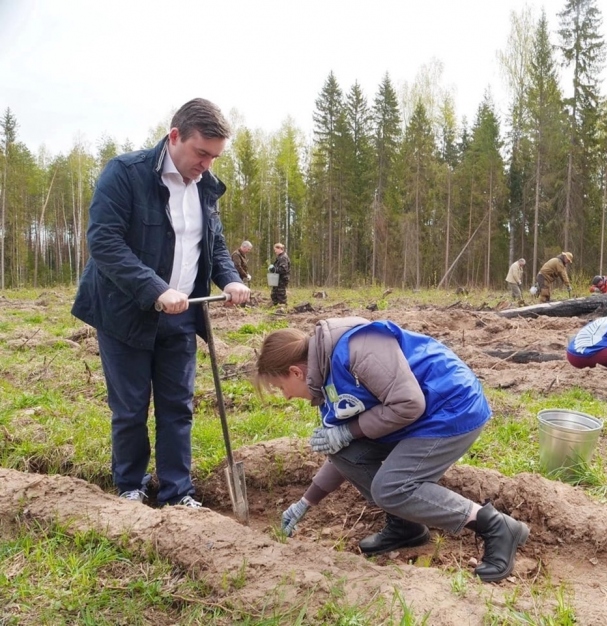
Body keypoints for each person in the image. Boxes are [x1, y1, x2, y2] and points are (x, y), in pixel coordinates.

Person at [71, 98, 250, 508]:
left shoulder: (205, 186)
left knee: (177, 407)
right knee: (130, 408)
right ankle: (131, 486)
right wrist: (155, 288)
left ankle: (177, 491)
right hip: (125, 314)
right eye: (201, 153)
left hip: (182, 317)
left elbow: (213, 243)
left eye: (214, 157)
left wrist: (230, 278)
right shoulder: (125, 174)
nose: (206, 164)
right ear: (174, 136)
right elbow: (104, 242)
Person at [254, 317, 530, 582]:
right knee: (343, 450)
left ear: (296, 372)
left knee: (391, 488)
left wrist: (348, 431)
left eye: (281, 387)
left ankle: (496, 525)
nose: (286, 396)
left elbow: (409, 404)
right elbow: (346, 452)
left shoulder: (359, 350)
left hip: (451, 409)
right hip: (414, 417)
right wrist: (306, 502)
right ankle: (405, 526)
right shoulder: (325, 379)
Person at [269, 242, 290, 307]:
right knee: (274, 293)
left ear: (279, 249)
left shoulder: (283, 257)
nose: (275, 251)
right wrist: (273, 269)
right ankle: (274, 305)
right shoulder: (279, 257)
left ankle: (282, 306)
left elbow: (283, 269)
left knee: (281, 294)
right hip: (277, 279)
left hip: (282, 279)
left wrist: (274, 269)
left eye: (275, 250)